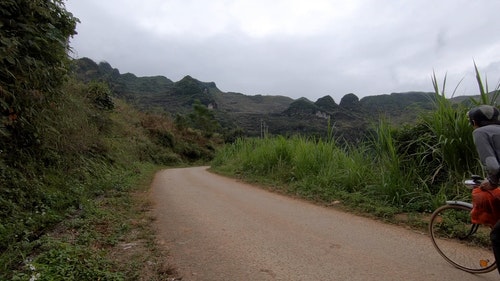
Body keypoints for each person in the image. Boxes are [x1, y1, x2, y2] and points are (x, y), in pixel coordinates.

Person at [468, 104, 500, 274]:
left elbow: (493, 166)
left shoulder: (480, 132)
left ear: (474, 122)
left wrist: (492, 182)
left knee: (497, 235)